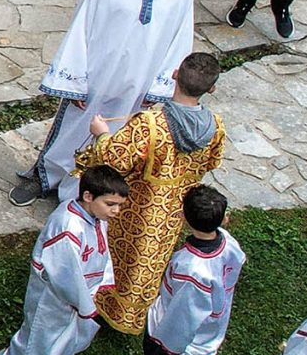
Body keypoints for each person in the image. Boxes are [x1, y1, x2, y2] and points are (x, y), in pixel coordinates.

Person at [17, 0, 195, 205]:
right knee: (73, 130)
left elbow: (181, 37)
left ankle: (88, 193)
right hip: (98, 78)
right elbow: (80, 30)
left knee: (119, 138)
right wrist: (75, 81)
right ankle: (46, 177)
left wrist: (162, 85)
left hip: (142, 83)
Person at [73, 47, 224, 340]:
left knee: (120, 257)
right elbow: (212, 161)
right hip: (175, 211)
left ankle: (98, 304)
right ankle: (129, 313)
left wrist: (101, 134)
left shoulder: (151, 124)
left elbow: (115, 159)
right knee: (149, 262)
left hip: (136, 210)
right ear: (212, 88)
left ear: (175, 75)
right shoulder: (215, 126)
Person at [101, 185, 243, 355]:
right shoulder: (228, 243)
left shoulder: (192, 269)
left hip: (175, 336)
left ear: (184, 218)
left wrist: (168, 346)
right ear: (223, 219)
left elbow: (183, 317)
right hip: (199, 322)